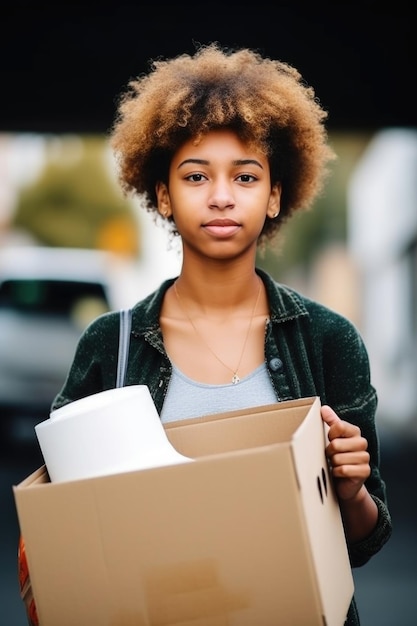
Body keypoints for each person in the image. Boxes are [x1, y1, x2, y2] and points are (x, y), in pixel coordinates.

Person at [23, 42, 392, 625]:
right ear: (164, 195)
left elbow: (366, 542)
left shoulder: (328, 339)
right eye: (196, 176)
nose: (221, 196)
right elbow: (63, 518)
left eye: (245, 177)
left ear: (274, 195)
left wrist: (350, 490)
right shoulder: (109, 344)